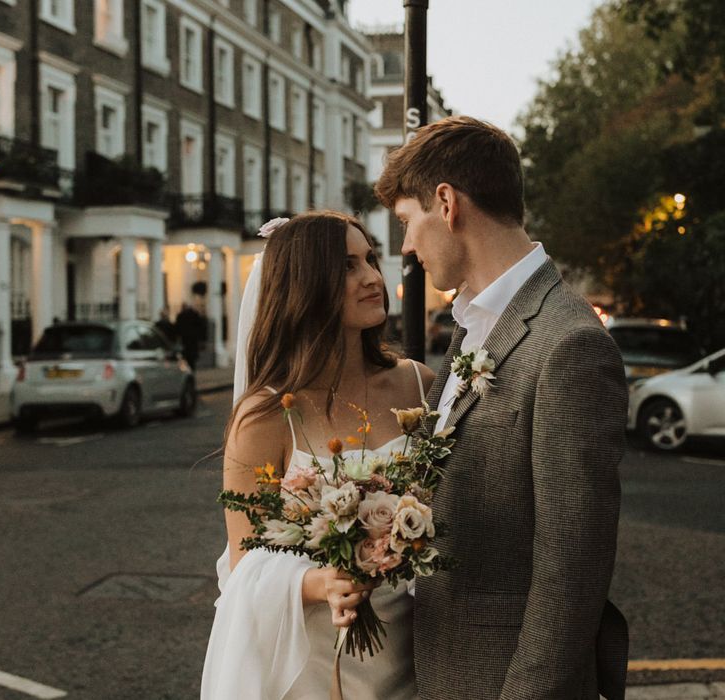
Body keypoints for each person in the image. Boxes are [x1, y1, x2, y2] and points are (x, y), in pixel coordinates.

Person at [374, 116, 629, 700]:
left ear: (446, 203)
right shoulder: (473, 328)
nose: (407, 247)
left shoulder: (569, 344)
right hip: (438, 670)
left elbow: (573, 568)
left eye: (407, 223)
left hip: (500, 679)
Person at [200, 212, 433, 699]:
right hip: (316, 657)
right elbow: (246, 564)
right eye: (347, 266)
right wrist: (319, 582)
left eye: (370, 258)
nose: (372, 276)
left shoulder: (418, 384)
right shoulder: (263, 417)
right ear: (305, 286)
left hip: (419, 648)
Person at [175, 302, 204, 371]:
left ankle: (188, 372)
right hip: (192, 341)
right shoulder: (194, 315)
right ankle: (191, 372)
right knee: (192, 359)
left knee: (186, 358)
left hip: (185, 341)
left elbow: (177, 328)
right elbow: (200, 327)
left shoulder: (181, 315)